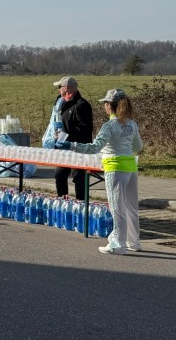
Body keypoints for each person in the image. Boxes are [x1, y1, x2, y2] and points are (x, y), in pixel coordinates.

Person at [50, 88, 144, 255]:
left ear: (109, 106)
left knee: (117, 207)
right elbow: (138, 146)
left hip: (114, 168)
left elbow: (94, 147)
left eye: (105, 103)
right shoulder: (132, 124)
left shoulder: (109, 126)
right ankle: (134, 241)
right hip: (130, 167)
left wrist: (71, 145)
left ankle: (117, 243)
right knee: (130, 206)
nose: (104, 106)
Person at [50, 76, 94, 200]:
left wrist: (67, 134)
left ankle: (81, 204)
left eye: (59, 87)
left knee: (79, 178)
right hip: (63, 147)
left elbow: (86, 129)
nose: (58, 90)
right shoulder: (60, 102)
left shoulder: (82, 105)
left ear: (66, 88)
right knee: (60, 175)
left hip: (78, 147)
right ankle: (63, 201)